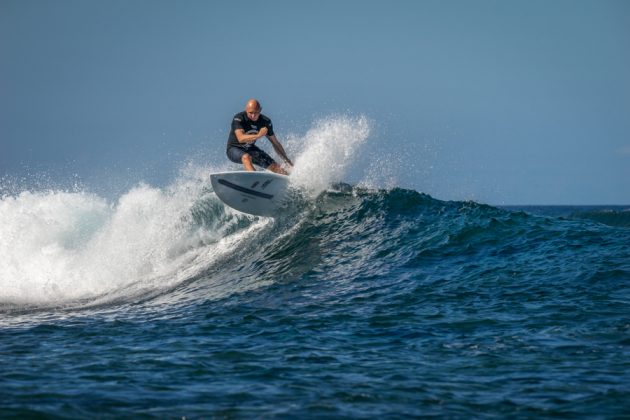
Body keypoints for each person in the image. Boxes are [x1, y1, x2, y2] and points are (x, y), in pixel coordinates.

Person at [226, 99, 293, 175]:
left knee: (276, 168)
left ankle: (288, 179)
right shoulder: (239, 118)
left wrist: (286, 160)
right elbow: (240, 138)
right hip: (234, 149)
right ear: (246, 110)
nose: (253, 116)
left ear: (260, 110)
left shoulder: (265, 122)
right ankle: (254, 180)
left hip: (251, 149)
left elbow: (275, 143)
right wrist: (259, 135)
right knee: (246, 157)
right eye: (250, 113)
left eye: (256, 113)